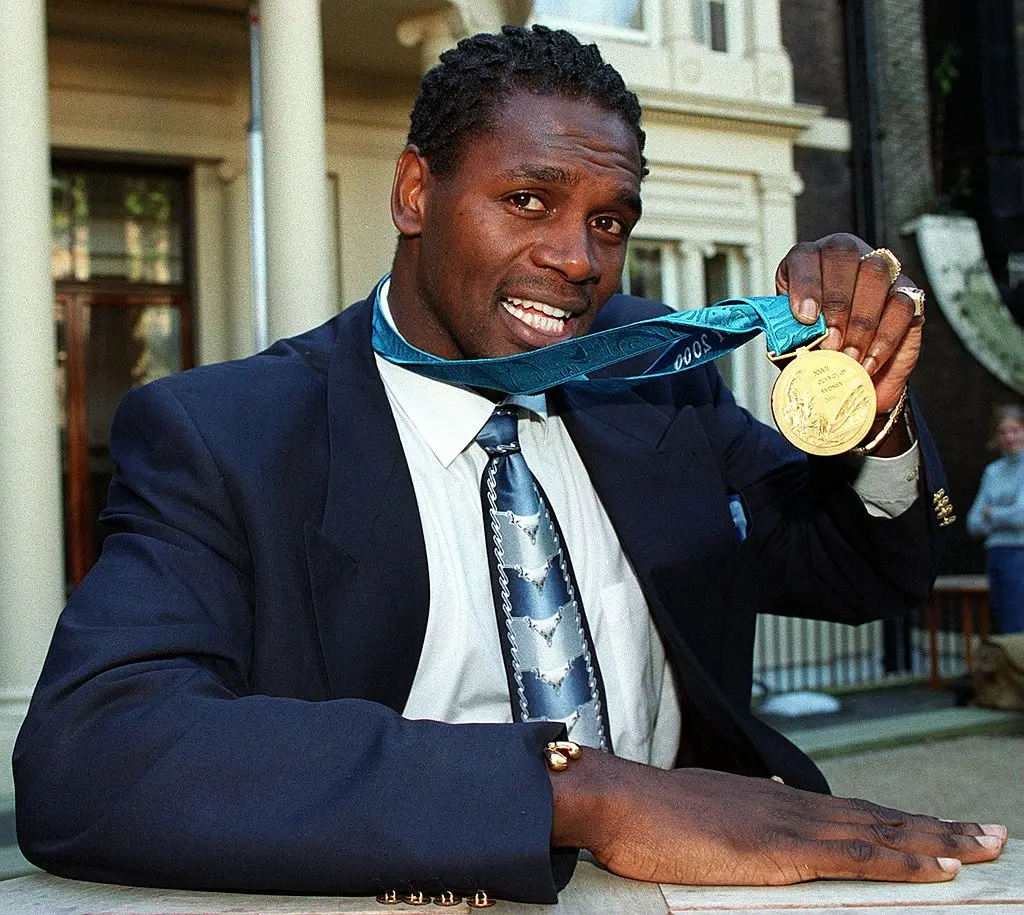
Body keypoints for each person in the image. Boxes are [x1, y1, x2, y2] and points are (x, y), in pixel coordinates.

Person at [14, 25, 1005, 905]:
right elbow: (92, 755)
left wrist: (870, 428)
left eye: (609, 221)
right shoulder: (227, 434)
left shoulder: (653, 375)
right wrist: (580, 792)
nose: (578, 259)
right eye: (527, 199)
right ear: (414, 193)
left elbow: (864, 574)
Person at [967, 404, 1024, 633]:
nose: (1009, 437)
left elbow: (1021, 517)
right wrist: (1005, 513)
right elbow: (973, 523)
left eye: (1015, 430)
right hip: (995, 553)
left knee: (1016, 625)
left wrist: (991, 512)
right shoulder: (993, 471)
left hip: (1020, 553)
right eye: (1003, 431)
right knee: (1000, 624)